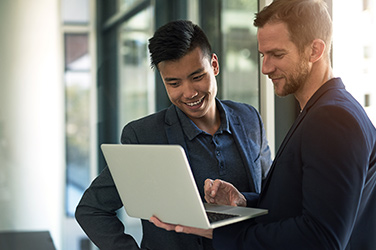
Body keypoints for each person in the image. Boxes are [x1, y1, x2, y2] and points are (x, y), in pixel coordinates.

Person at [150, 1, 376, 249]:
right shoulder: (323, 111)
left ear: (315, 50)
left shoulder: (332, 119)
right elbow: (303, 205)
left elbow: (321, 238)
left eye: (277, 55)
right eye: (262, 55)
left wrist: (219, 234)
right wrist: (244, 202)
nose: (265, 68)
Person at [75, 20, 272, 250]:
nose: (189, 93)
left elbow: (271, 196)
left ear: (214, 65)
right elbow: (92, 209)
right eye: (174, 83)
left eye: (197, 76)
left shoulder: (249, 119)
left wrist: (243, 200)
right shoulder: (144, 136)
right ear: (163, 80)